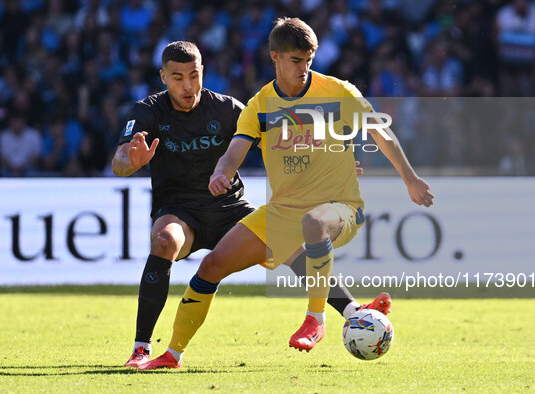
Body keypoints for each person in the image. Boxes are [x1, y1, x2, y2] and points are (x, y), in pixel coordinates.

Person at [140, 18, 433, 370]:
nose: (304, 69)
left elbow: (380, 134)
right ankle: (172, 355)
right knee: (210, 266)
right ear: (275, 57)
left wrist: (410, 179)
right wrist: (221, 173)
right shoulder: (260, 105)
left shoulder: (338, 91)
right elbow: (235, 149)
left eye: (309, 60)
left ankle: (316, 320)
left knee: (313, 223)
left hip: (341, 207)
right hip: (282, 212)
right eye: (296, 61)